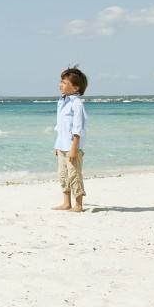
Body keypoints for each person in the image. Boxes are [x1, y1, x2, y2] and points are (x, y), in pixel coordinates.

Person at [52, 66, 88, 213]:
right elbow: (60, 126)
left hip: (73, 146)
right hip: (62, 145)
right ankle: (66, 202)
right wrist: (57, 145)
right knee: (63, 174)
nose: (60, 85)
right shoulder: (62, 102)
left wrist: (74, 148)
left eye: (65, 82)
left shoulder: (76, 103)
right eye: (61, 81)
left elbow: (78, 128)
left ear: (75, 87)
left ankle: (78, 204)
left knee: (74, 174)